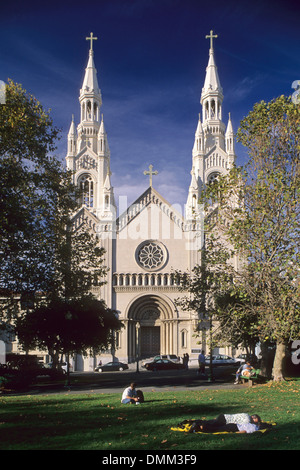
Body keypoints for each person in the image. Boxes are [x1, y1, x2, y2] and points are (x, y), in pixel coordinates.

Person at [189, 413, 262, 434]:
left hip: (225, 416)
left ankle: (195, 423)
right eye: (255, 420)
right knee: (212, 426)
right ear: (253, 417)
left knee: (210, 423)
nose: (254, 422)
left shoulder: (246, 414)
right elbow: (242, 427)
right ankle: (197, 424)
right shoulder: (248, 420)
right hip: (226, 421)